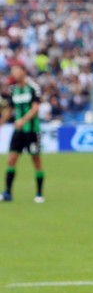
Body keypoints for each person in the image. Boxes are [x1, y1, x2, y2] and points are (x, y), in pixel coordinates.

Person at [1, 60, 46, 203]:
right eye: (13, 70)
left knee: (36, 160)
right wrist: (1, 123)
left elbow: (35, 108)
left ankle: (39, 193)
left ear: (23, 71)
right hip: (18, 131)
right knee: (11, 159)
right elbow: (8, 110)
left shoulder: (33, 88)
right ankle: (8, 192)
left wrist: (23, 120)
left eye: (16, 70)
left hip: (32, 130)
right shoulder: (13, 90)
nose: (14, 73)